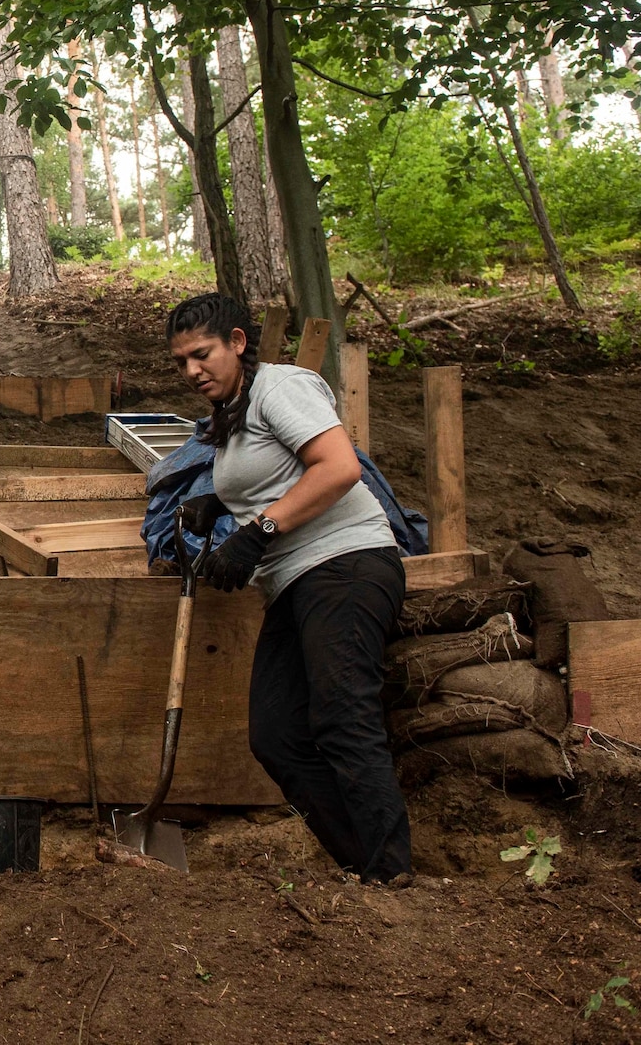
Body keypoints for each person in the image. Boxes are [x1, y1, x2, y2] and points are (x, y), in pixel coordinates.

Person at [166, 292, 413, 885]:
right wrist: (217, 501)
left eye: (202, 354)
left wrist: (256, 533)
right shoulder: (231, 410)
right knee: (275, 735)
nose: (192, 371)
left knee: (341, 715)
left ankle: (392, 875)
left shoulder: (281, 387)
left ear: (238, 343)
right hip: (293, 580)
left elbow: (339, 466)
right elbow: (274, 474)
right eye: (181, 362)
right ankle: (364, 868)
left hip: (346, 563)